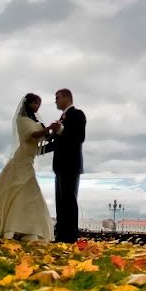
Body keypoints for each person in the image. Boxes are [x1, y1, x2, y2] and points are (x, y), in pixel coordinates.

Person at [0, 93, 54, 242]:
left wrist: (52, 131)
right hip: (21, 158)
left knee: (25, 192)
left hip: (29, 158)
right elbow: (32, 135)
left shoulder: (35, 121)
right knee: (26, 190)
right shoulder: (21, 120)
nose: (37, 107)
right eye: (35, 103)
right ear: (28, 103)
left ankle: (25, 228)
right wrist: (48, 129)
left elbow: (44, 137)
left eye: (38, 104)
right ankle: (14, 227)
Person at [49, 88, 86, 243]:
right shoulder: (61, 118)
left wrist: (61, 130)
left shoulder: (78, 114)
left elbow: (79, 137)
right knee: (60, 201)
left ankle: (70, 237)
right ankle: (61, 235)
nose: (55, 101)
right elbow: (57, 143)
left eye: (57, 97)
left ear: (66, 97)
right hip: (59, 166)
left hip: (71, 165)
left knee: (69, 201)